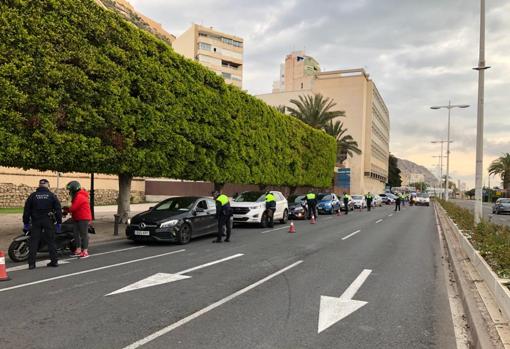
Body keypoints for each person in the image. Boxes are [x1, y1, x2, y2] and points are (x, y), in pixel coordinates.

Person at [22, 179, 62, 269]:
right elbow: (58, 210)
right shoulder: (52, 196)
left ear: (39, 185)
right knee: (51, 241)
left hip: (36, 221)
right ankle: (54, 261)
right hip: (48, 221)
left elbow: (26, 211)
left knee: (34, 242)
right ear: (48, 185)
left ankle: (31, 264)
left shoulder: (33, 196)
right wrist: (59, 223)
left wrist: (26, 223)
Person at [66, 181, 92, 258]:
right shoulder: (76, 195)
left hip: (83, 218)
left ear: (74, 189)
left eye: (70, 190)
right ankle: (78, 250)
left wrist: (66, 210)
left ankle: (85, 251)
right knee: (76, 234)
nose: (69, 191)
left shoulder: (80, 196)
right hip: (77, 217)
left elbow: (73, 207)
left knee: (84, 235)